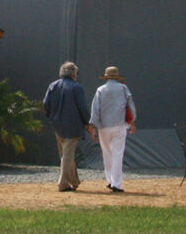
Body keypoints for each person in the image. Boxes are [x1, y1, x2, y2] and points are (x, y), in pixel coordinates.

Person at [40, 61, 90, 192]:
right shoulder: (77, 87)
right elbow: (82, 107)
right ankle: (63, 183)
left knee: (65, 153)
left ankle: (74, 181)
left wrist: (51, 116)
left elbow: (45, 104)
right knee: (67, 155)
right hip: (73, 125)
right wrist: (87, 122)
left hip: (57, 124)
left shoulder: (53, 85)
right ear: (74, 74)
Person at [87, 66, 136, 194]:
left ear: (106, 77)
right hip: (119, 125)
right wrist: (132, 121)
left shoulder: (101, 90)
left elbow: (95, 109)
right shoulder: (123, 88)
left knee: (107, 153)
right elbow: (130, 106)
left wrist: (93, 126)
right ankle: (117, 184)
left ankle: (110, 180)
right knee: (118, 154)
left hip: (103, 127)